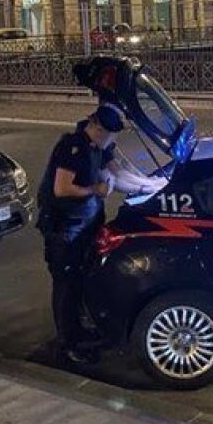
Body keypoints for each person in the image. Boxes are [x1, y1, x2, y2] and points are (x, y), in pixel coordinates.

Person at [37, 104, 163, 363]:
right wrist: (94, 189)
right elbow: (61, 188)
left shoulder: (97, 147)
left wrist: (152, 186)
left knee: (83, 282)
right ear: (95, 127)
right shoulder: (73, 147)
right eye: (108, 135)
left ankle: (79, 332)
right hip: (65, 228)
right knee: (67, 286)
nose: (111, 142)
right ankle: (67, 345)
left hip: (84, 226)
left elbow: (119, 174)